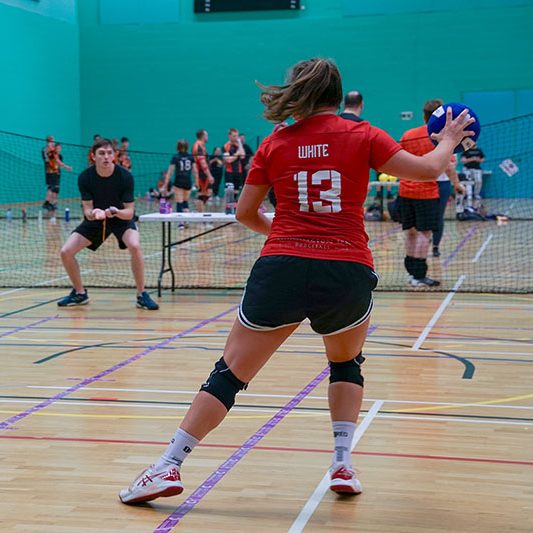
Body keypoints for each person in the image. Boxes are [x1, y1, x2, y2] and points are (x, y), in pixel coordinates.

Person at [118, 58, 474, 504]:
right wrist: (448, 141)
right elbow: (426, 170)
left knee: (229, 375)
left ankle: (168, 466)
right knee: (346, 365)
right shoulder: (363, 134)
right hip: (346, 270)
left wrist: (290, 234)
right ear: (339, 95)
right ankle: (342, 462)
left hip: (282, 266)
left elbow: (245, 213)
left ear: (298, 92)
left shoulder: (275, 143)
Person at [58, 138, 159, 310]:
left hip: (120, 218)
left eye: (110, 153)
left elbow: (130, 212)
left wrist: (115, 212)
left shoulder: (125, 177)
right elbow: (87, 210)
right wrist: (94, 213)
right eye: (102, 153)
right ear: (93, 156)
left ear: (115, 155)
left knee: (135, 246)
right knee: (66, 251)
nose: (106, 157)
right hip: (97, 221)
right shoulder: (85, 177)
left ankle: (141, 294)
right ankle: (80, 293)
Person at [398, 99, 445, 287]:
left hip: (405, 190)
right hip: (426, 193)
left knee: (410, 232)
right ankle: (418, 275)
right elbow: (444, 166)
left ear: (423, 115)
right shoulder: (439, 138)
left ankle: (411, 272)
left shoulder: (408, 134)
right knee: (424, 234)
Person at [432, 157, 465, 256]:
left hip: (442, 184)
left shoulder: (449, 148)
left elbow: (450, 167)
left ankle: (435, 246)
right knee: (426, 215)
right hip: (425, 183)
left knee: (438, 216)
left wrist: (456, 184)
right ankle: (426, 241)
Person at [41, 135, 72, 212]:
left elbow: (58, 162)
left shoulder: (56, 154)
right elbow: (57, 161)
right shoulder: (48, 151)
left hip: (56, 172)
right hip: (51, 172)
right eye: (51, 141)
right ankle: (47, 203)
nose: (53, 143)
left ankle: (52, 203)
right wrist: (66, 167)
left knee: (56, 189)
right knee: (52, 187)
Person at [165, 140, 194, 216]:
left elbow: (170, 172)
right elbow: (195, 171)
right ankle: (186, 220)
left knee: (179, 202)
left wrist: (165, 184)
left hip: (178, 181)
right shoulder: (190, 157)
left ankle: (181, 224)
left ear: (177, 147)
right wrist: (197, 182)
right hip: (188, 181)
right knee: (185, 201)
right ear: (187, 147)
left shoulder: (176, 157)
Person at [456, 146, 486, 219]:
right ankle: (468, 197)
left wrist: (478, 159)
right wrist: (471, 159)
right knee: (468, 185)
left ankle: (476, 195)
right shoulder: (466, 150)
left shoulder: (479, 150)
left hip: (477, 169)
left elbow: (483, 159)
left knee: (478, 181)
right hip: (467, 169)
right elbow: (463, 160)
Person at [192, 129, 215, 212]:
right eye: (206, 135)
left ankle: (200, 214)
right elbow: (202, 163)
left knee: (208, 193)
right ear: (203, 136)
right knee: (202, 195)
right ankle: (200, 217)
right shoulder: (198, 146)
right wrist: (209, 175)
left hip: (203, 174)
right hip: (202, 175)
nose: (207, 137)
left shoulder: (201, 146)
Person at [223, 128, 246, 192]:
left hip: (238, 172)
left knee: (236, 191)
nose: (236, 137)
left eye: (237, 136)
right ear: (229, 136)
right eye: (234, 136)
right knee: (229, 191)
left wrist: (239, 143)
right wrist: (237, 154)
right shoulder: (226, 146)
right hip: (229, 172)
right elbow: (228, 160)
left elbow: (243, 156)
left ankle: (235, 201)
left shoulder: (238, 145)